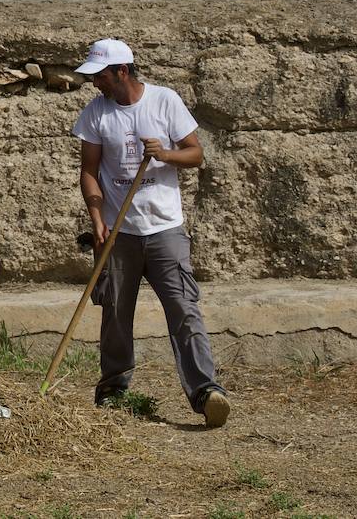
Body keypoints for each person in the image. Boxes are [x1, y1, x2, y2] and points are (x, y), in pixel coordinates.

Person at [72, 38, 231, 428]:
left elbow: (196, 154)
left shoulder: (164, 101)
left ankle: (206, 392)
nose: (95, 83)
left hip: (165, 230)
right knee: (114, 313)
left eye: (100, 76)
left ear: (122, 71)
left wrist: (164, 154)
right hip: (118, 233)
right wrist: (96, 218)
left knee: (184, 309)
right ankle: (113, 391)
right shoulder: (96, 112)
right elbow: (89, 171)